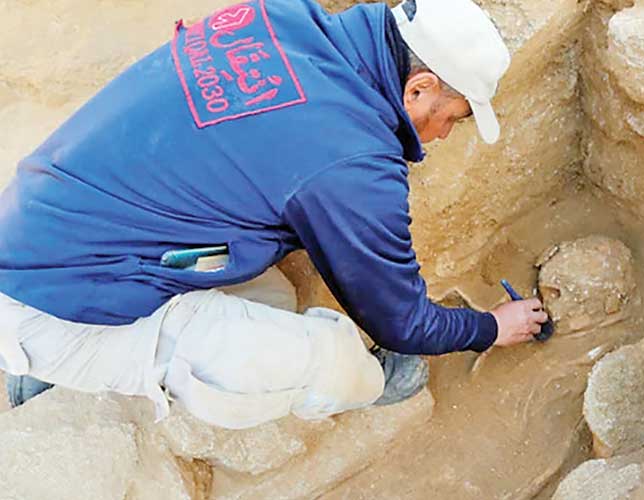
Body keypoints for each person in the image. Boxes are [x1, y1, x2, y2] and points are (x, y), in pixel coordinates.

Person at [0, 0, 549, 429]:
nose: (445, 133)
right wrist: (488, 327)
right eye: (449, 116)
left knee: (275, 299)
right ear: (419, 86)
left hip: (39, 221)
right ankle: (58, 368)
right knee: (328, 357)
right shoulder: (352, 162)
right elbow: (401, 324)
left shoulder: (282, 17)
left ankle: (68, 358)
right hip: (49, 308)